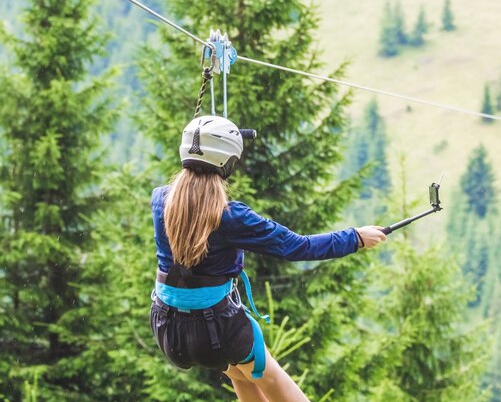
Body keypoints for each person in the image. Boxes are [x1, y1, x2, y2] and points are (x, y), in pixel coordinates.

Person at [150, 115, 386, 402]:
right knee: (267, 375)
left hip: (169, 330)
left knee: (242, 375)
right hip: (218, 330)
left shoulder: (160, 200)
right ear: (229, 162)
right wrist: (356, 237)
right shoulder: (231, 216)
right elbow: (298, 247)